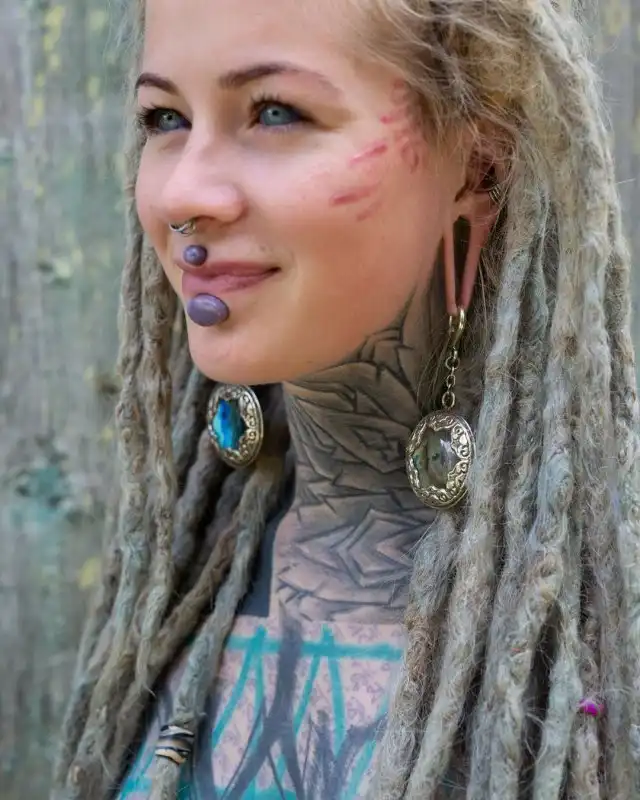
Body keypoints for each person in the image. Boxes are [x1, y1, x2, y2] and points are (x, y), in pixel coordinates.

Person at [51, 0, 640, 797]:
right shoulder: (181, 584)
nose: (182, 193)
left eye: (275, 112)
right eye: (165, 118)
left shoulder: (601, 620)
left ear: (480, 165)